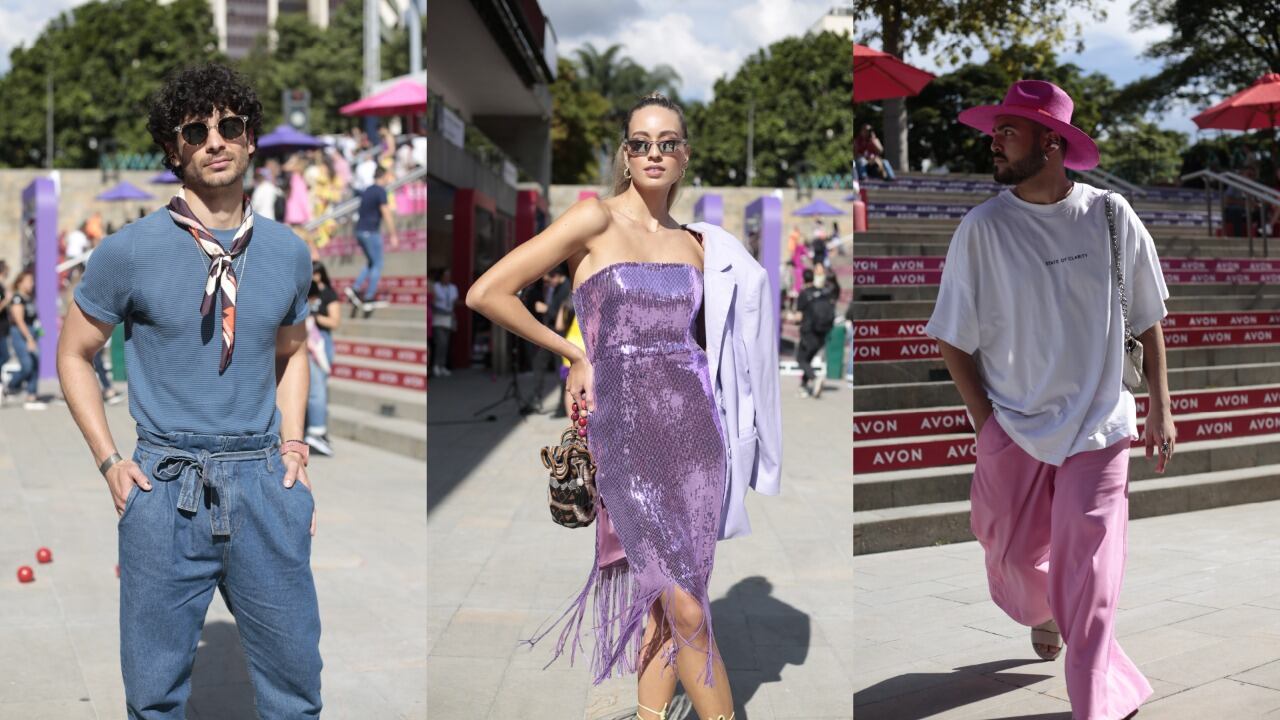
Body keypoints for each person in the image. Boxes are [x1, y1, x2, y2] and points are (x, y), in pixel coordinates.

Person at [466, 92, 781, 720]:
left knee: (672, 600)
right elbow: (487, 292)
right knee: (686, 603)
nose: (654, 153)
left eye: (668, 142)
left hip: (696, 437)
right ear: (626, 154)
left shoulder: (700, 246)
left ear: (685, 156)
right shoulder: (593, 220)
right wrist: (572, 353)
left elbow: (720, 343)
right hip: (626, 434)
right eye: (641, 142)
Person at [56, 62, 321, 717]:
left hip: (264, 482)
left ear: (251, 137)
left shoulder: (288, 252)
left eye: (229, 125)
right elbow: (73, 354)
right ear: (173, 148)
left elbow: (292, 354)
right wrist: (111, 462)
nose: (214, 139)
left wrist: (293, 449)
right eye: (194, 129)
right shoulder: (128, 252)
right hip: (164, 486)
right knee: (153, 697)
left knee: (297, 692)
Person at [925, 80, 1168, 720]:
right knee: (1006, 557)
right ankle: (1043, 612)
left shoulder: (1112, 216)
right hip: (1015, 426)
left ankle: (1097, 703)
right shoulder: (982, 229)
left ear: (1052, 142)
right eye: (996, 130)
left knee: (1088, 580)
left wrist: (1162, 407)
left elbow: (1148, 318)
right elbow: (953, 338)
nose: (995, 141)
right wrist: (987, 425)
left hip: (1101, 425)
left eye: (1010, 130)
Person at [345, 165, 401, 315]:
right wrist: (393, 234)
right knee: (378, 263)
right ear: (384, 176)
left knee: (371, 263)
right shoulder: (380, 191)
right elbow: (386, 213)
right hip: (371, 231)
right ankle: (369, 297)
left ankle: (355, 288)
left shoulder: (368, 190)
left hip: (360, 231)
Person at [305, 261, 341, 457]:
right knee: (313, 389)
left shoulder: (328, 293)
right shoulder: (303, 287)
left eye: (317, 274)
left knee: (318, 388)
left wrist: (316, 316)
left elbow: (335, 321)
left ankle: (318, 431)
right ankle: (314, 431)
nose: (315, 278)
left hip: (320, 340)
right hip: (306, 338)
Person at [6, 268, 45, 409]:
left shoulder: (29, 298)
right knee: (27, 365)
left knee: (35, 363)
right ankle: (11, 385)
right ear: (20, 282)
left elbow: (33, 319)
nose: (31, 284)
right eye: (29, 281)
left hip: (31, 331)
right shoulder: (18, 298)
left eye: (32, 281)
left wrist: (38, 332)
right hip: (21, 333)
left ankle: (31, 395)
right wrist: (29, 338)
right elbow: (19, 320)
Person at [793, 269, 835, 398]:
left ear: (803, 279)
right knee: (808, 359)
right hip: (822, 333)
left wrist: (793, 318)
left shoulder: (804, 294)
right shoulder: (822, 293)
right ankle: (804, 386)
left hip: (809, 333)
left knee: (801, 359)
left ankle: (815, 379)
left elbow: (799, 317)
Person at [430, 268, 458, 376]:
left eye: (449, 276)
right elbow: (434, 301)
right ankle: (436, 365)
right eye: (445, 275)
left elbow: (454, 301)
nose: (447, 278)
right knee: (440, 342)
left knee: (446, 343)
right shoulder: (436, 286)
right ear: (441, 276)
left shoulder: (453, 288)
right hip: (438, 317)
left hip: (448, 317)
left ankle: (442, 366)